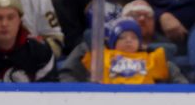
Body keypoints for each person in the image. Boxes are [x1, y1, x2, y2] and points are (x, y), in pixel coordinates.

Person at [59, 16, 187, 83]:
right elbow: (67, 73)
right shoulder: (100, 56)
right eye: (122, 37)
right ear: (113, 43)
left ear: (140, 43)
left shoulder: (150, 58)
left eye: (134, 37)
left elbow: (173, 68)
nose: (128, 40)